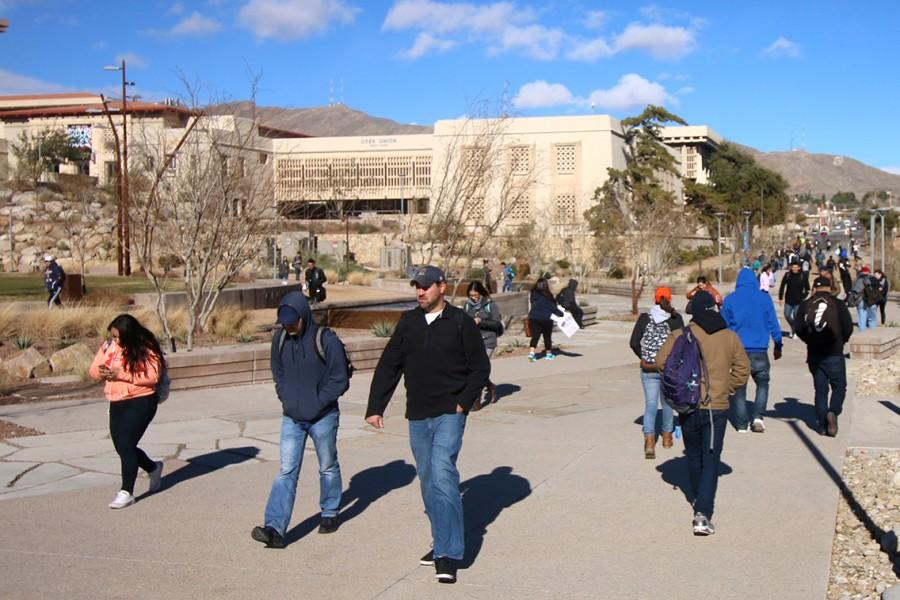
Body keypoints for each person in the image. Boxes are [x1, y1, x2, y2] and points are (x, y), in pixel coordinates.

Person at [365, 265, 490, 584]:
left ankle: (449, 553)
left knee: (443, 472)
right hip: (418, 414)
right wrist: (375, 406)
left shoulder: (460, 322)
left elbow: (480, 367)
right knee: (427, 479)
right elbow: (389, 364)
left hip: (450, 411)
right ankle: (440, 539)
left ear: (441, 287)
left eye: (425, 286)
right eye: (416, 286)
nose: (419, 291)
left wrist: (463, 402)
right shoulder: (409, 322)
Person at [251, 291, 350, 549]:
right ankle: (274, 527)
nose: (288, 326)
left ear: (303, 317)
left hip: (323, 416)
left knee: (327, 465)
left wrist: (318, 402)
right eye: (284, 322)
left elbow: (339, 378)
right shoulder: (280, 339)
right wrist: (286, 398)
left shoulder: (325, 340)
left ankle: (329, 512)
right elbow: (278, 372)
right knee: (286, 471)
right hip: (292, 417)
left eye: (292, 322)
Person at [655, 291, 749, 536]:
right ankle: (703, 513)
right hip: (716, 407)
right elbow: (742, 369)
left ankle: (697, 497)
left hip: (688, 405)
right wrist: (726, 388)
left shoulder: (680, 335)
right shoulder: (729, 337)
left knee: (694, 455)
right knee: (711, 459)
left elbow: (660, 363)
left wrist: (682, 384)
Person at [88, 314, 165, 509]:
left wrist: (120, 373)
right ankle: (153, 467)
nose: (114, 340)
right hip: (116, 401)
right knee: (122, 447)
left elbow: (152, 376)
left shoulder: (144, 347)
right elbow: (93, 371)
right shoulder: (108, 346)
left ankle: (126, 492)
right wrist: (102, 371)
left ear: (128, 335)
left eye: (117, 337)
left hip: (141, 401)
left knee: (127, 444)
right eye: (112, 336)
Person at [722, 267, 783, 433]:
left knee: (739, 386)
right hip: (760, 349)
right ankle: (758, 417)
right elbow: (773, 323)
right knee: (762, 384)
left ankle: (742, 424)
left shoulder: (730, 300)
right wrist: (778, 344)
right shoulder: (764, 299)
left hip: (738, 350)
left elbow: (724, 326)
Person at [629, 286, 684, 459]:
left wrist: (644, 357)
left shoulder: (645, 318)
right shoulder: (675, 318)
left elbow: (634, 342)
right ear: (670, 299)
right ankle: (667, 437)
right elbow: (682, 344)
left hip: (648, 367)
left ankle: (650, 441)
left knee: (651, 404)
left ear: (655, 299)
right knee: (668, 402)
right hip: (668, 367)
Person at [795, 277, 853, 436]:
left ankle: (821, 425)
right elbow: (848, 326)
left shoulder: (806, 304)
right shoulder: (838, 304)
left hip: (814, 354)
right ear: (830, 288)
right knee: (839, 386)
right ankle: (833, 412)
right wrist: (841, 341)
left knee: (820, 390)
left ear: (814, 288)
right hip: (834, 353)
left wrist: (809, 340)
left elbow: (798, 328)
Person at [463, 281, 502, 408]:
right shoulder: (467, 306)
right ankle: (490, 386)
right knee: (472, 369)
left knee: (479, 368)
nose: (474, 298)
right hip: (473, 341)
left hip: (488, 340)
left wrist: (481, 321)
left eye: (476, 295)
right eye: (471, 295)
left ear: (481, 293)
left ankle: (476, 400)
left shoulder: (490, 305)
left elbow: (496, 323)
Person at [527, 277, 563, 362]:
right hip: (546, 318)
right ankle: (549, 354)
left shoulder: (533, 294)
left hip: (533, 317)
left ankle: (532, 354)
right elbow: (553, 308)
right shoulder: (548, 296)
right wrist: (561, 314)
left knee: (535, 336)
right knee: (547, 337)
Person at [778, 261, 809, 338]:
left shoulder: (803, 276)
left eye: (796, 267)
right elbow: (782, 286)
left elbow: (807, 288)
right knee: (787, 315)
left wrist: (803, 297)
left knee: (796, 316)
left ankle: (795, 332)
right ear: (791, 267)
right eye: (793, 267)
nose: (794, 269)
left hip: (798, 300)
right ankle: (794, 328)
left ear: (799, 268)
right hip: (788, 299)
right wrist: (780, 297)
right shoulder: (787, 275)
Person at [849, 265, 879, 331]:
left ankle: (862, 331)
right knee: (872, 317)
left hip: (860, 300)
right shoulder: (872, 279)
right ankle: (873, 331)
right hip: (871, 301)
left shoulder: (856, 280)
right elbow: (877, 289)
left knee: (861, 316)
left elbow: (852, 290)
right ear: (869, 272)